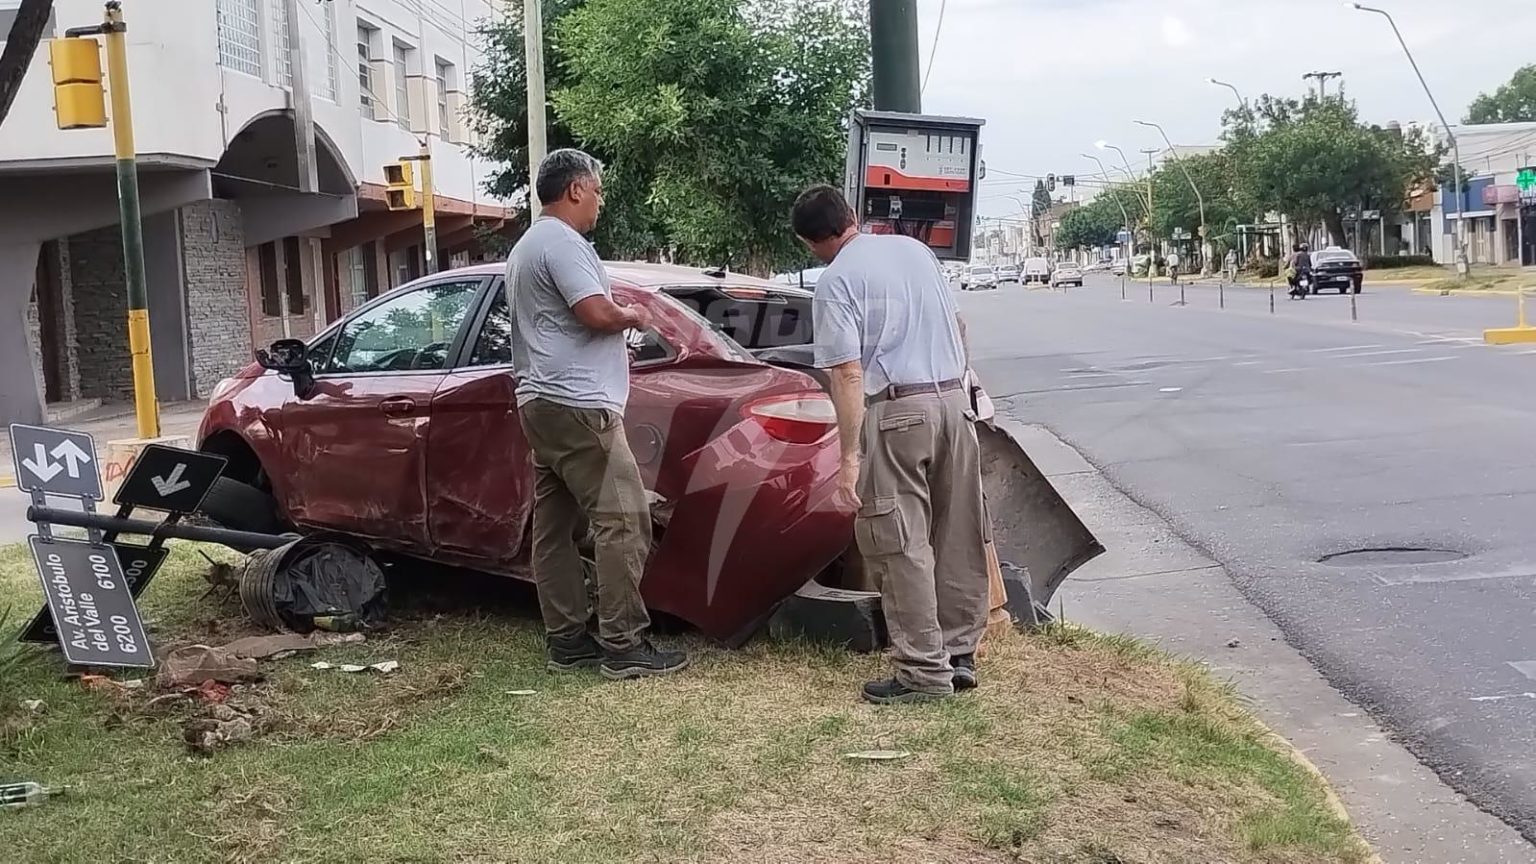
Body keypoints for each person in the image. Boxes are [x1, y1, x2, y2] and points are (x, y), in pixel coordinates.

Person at [790, 185, 990, 705]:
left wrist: (849, 456)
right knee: (957, 531)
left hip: (898, 410)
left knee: (899, 542)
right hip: (952, 402)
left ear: (811, 242)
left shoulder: (835, 283)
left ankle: (923, 672)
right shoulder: (914, 250)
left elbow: (848, 374)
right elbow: (959, 325)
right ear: (852, 216)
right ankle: (958, 653)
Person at [506, 148, 688, 680]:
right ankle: (624, 644)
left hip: (540, 401)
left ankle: (567, 639)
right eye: (599, 191)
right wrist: (634, 314)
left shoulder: (527, 245)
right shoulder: (563, 242)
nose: (600, 202)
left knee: (554, 526)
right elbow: (594, 312)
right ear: (576, 189)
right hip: (579, 404)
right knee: (625, 520)